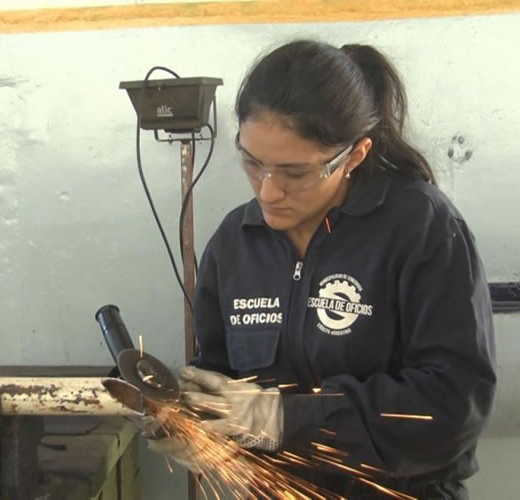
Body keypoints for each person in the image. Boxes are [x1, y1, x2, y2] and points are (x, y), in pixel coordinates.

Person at [150, 40, 496, 499]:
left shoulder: (421, 229)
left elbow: (453, 405)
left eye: (294, 173)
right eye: (253, 163)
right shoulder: (236, 244)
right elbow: (217, 376)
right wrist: (194, 424)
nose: (268, 192)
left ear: (354, 155)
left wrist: (281, 419)